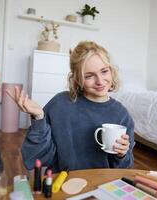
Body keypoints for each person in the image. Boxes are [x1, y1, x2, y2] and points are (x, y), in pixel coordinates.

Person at [7, 41, 135, 172]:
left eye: (104, 71)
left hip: (103, 184)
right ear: (77, 79)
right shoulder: (60, 105)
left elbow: (124, 168)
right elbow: (37, 157)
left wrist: (122, 155)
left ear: (112, 71)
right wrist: (39, 117)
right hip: (63, 181)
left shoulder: (121, 115)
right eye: (89, 76)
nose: (100, 81)